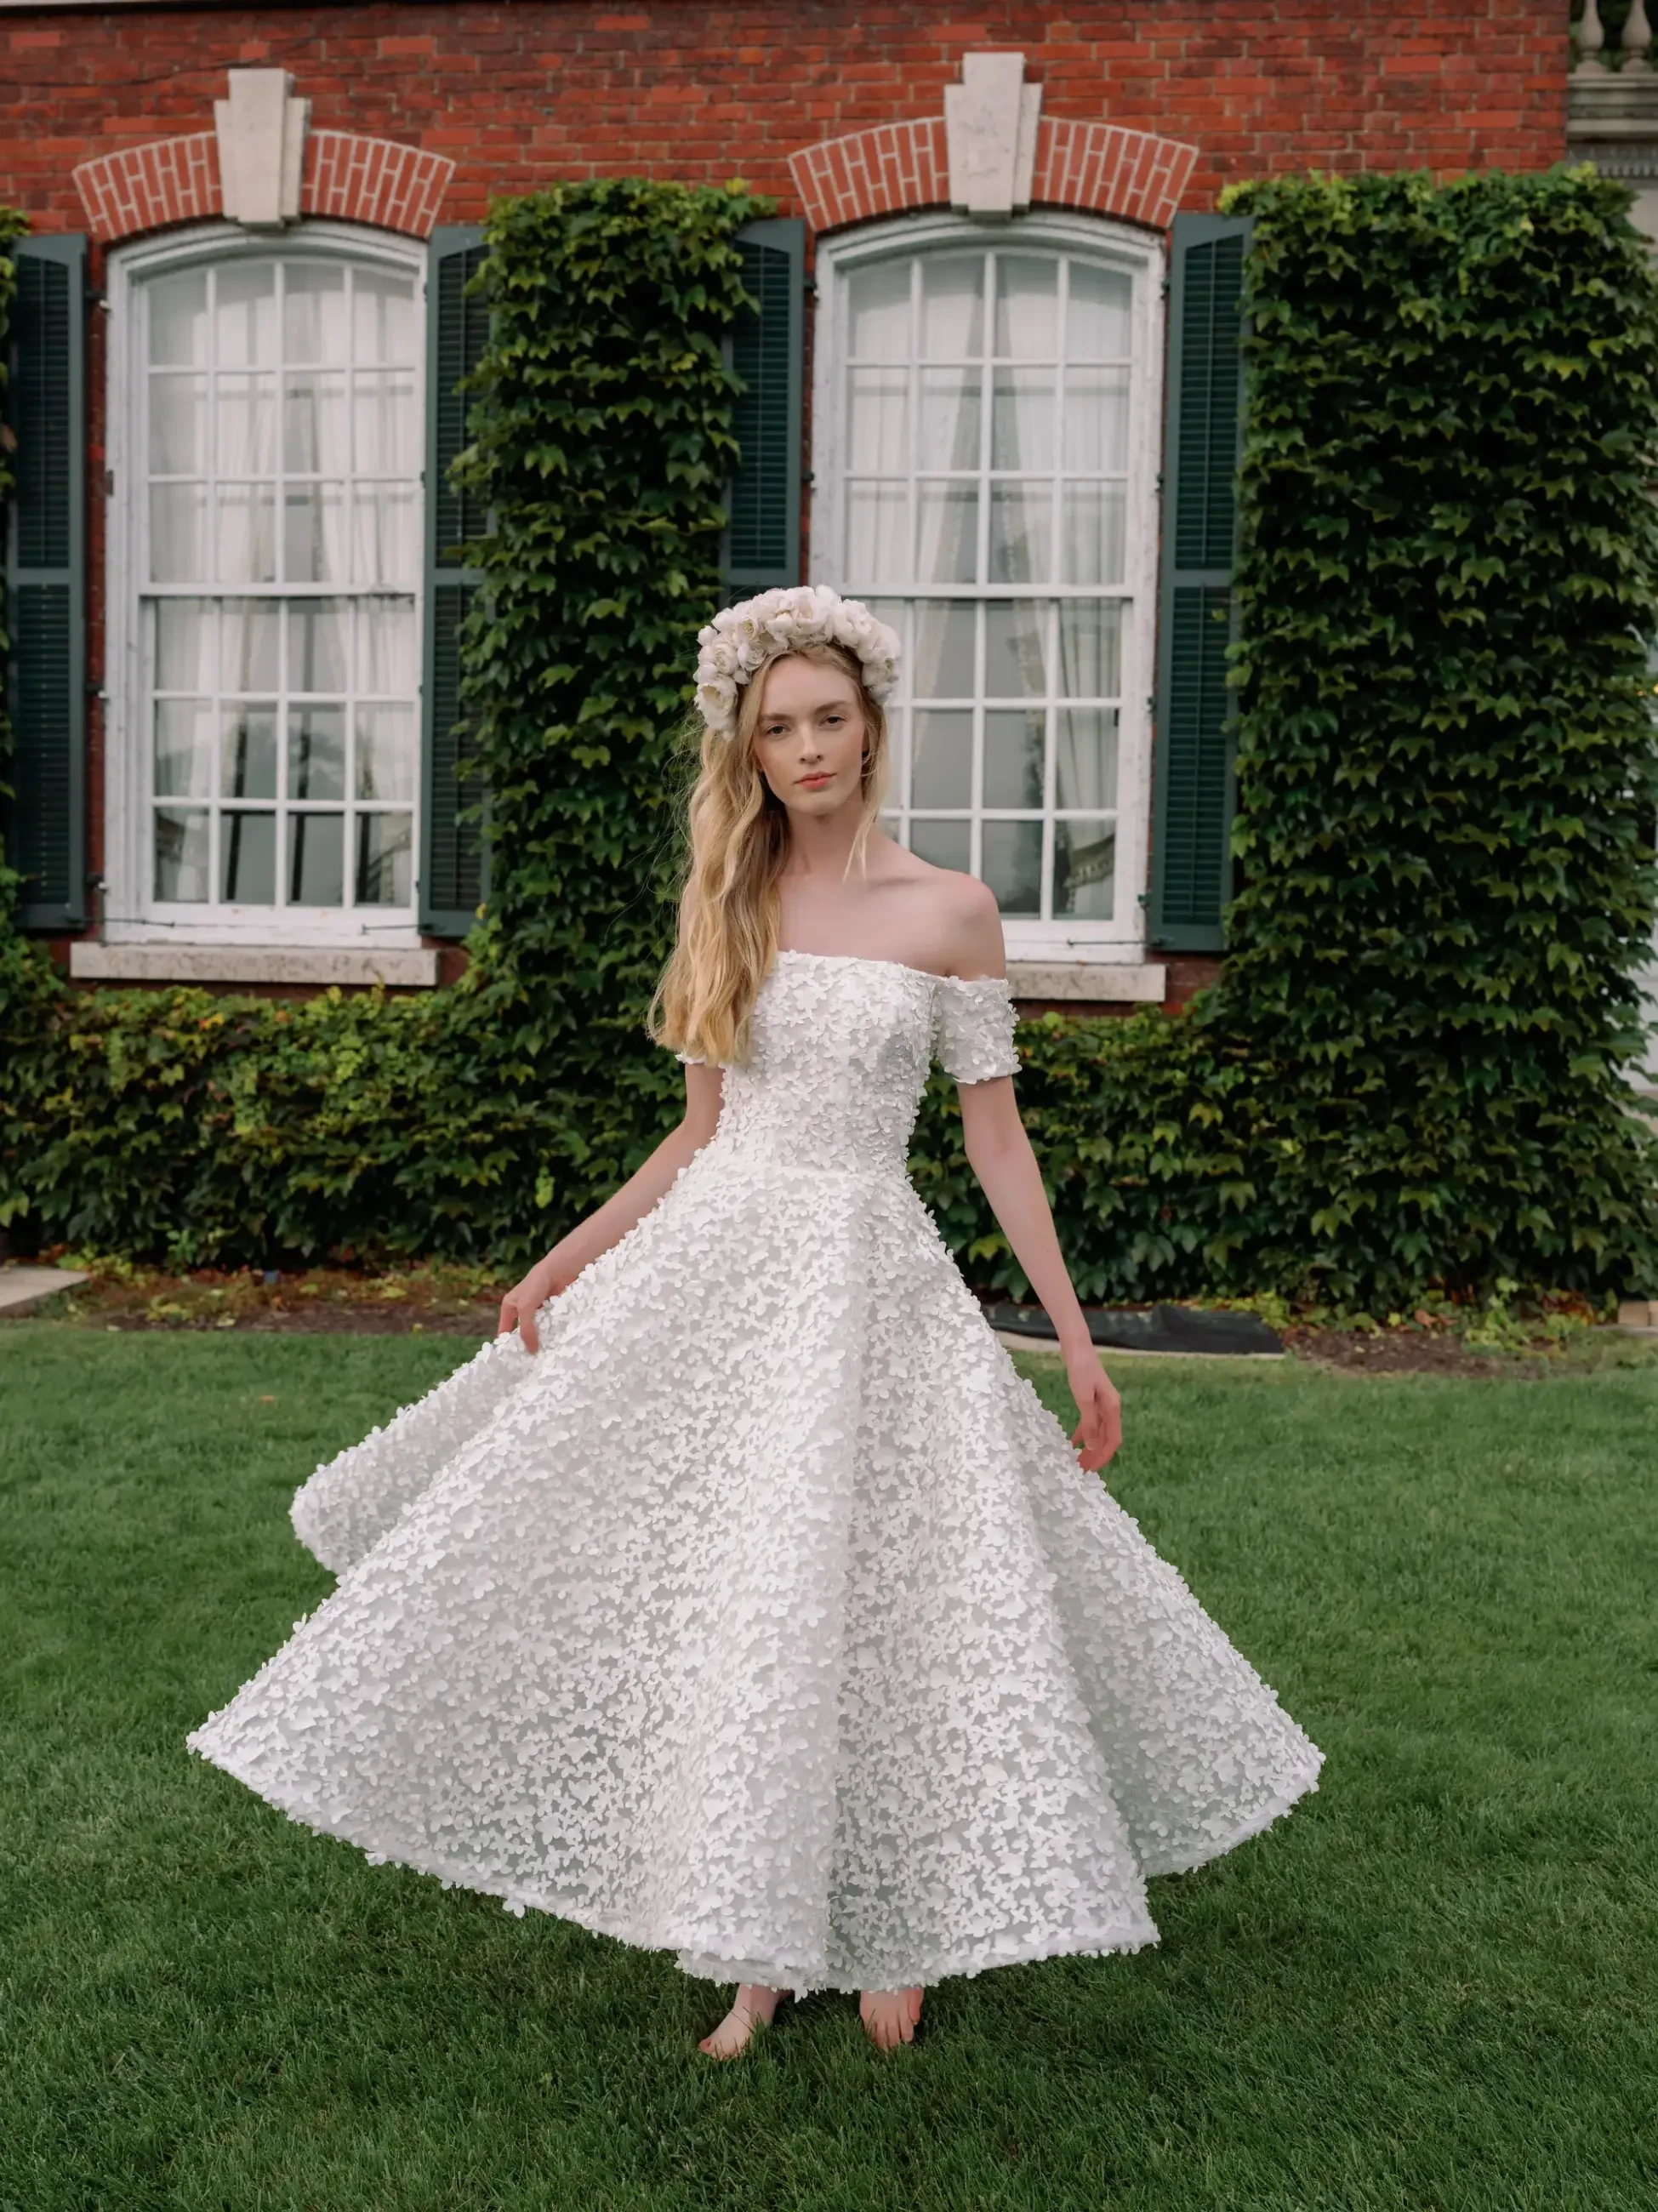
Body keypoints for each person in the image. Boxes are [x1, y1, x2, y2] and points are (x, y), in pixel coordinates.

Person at [188, 586, 1321, 2061]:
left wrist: (1078, 1337)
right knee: (749, 1605)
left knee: (894, 1603)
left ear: (871, 726)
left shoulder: (953, 912)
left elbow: (996, 1142)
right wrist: (562, 1260)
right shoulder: (725, 899)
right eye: (775, 726)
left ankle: (901, 1927)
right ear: (750, 742)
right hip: (721, 1279)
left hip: (873, 1290)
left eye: (827, 720)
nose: (805, 749)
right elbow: (691, 1143)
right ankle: (755, 1948)